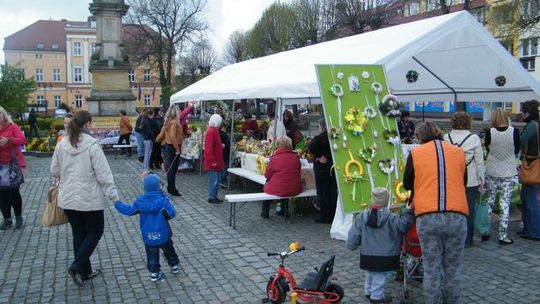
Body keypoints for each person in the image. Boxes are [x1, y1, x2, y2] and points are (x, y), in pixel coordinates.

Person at [50, 110, 119, 286]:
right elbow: (103, 174)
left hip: (67, 198)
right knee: (95, 231)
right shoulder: (92, 145)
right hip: (88, 199)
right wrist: (114, 196)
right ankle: (76, 266)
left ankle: (84, 272)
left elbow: (55, 171)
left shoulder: (62, 144)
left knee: (79, 234)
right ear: (87, 124)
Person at [403, 121, 468, 304]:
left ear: (419, 137)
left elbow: (407, 183)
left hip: (428, 215)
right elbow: (463, 180)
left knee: (432, 267)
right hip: (457, 214)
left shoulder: (416, 153)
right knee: (453, 267)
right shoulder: (458, 152)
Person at [347, 188, 414, 303]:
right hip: (386, 255)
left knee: (370, 273)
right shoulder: (392, 217)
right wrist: (408, 212)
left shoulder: (361, 216)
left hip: (367, 254)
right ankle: (376, 297)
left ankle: (368, 292)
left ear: (372, 199)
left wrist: (351, 246)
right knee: (379, 277)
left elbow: (353, 235)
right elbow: (403, 226)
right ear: (386, 201)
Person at [114, 173, 180, 282]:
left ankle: (154, 273)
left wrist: (117, 203)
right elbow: (172, 213)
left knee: (152, 253)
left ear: (145, 187)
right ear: (159, 186)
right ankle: (174, 266)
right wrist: (165, 216)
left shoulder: (140, 202)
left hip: (148, 234)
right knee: (169, 249)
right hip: (163, 232)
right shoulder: (163, 200)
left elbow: (128, 210)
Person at [443, 112, 485, 247]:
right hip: (470, 179)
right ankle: (467, 239)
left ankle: (451, 236)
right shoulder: (474, 138)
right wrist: (481, 179)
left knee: (451, 209)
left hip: (451, 179)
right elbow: (479, 161)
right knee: (468, 210)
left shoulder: (446, 137)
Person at [483, 108, 520, 245]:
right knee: (505, 203)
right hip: (509, 171)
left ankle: (485, 231)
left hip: (492, 170)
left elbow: (487, 148)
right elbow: (517, 149)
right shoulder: (514, 131)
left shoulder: (489, 132)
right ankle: (502, 235)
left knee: (489, 201)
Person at [262, 137, 302, 218]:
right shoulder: (296, 157)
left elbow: (267, 175)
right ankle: (284, 210)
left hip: (280, 188)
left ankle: (265, 213)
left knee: (267, 189)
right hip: (294, 188)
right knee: (286, 185)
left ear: (278, 145)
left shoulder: (274, 158)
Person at [0, 106, 27, 230]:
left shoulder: (12, 126)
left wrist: (8, 140)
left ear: (4, 115)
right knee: (2, 194)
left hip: (13, 165)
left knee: (13, 192)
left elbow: (22, 140)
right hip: (0, 167)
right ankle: (7, 219)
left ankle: (18, 217)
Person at [308, 118, 338, 223]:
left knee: (323, 193)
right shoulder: (334, 137)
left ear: (322, 127)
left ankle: (324, 217)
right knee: (332, 192)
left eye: (318, 126)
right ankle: (333, 215)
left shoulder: (319, 138)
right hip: (333, 168)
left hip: (321, 170)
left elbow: (310, 148)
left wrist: (319, 156)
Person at [519, 100, 540, 241]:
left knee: (530, 199)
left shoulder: (532, 125)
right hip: (536, 163)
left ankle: (533, 231)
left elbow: (521, 141)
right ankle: (529, 229)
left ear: (527, 112)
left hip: (532, 164)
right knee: (531, 198)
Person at [160, 105, 184, 196]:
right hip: (172, 147)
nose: (180, 111)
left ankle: (171, 188)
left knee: (172, 169)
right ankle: (171, 188)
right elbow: (172, 136)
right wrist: (177, 148)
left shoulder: (169, 121)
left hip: (170, 146)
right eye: (179, 110)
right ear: (175, 111)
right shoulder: (174, 122)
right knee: (172, 169)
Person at [204, 114, 224, 204]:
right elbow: (209, 148)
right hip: (213, 161)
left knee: (216, 180)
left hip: (216, 160)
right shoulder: (211, 131)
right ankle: (212, 197)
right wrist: (212, 161)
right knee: (214, 180)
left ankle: (214, 196)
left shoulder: (213, 130)